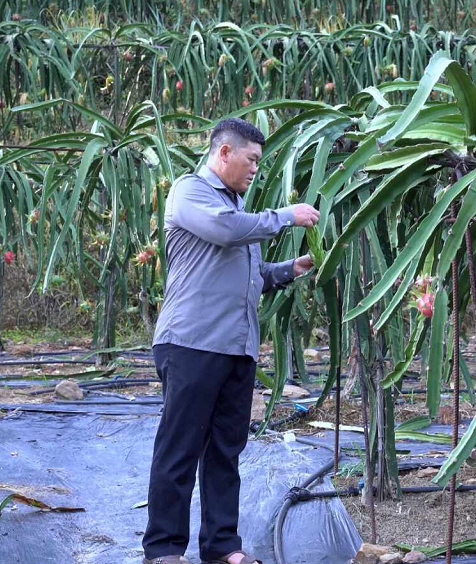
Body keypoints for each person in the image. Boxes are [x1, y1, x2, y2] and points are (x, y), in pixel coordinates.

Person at [142, 117, 320, 564]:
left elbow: (249, 277)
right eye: (252, 158)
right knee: (179, 449)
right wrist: (286, 216)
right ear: (224, 152)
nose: (256, 168)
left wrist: (288, 270)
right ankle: (163, 551)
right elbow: (225, 230)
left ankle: (223, 548)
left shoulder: (239, 210)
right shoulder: (191, 192)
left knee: (225, 452)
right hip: (191, 343)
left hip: (236, 347)